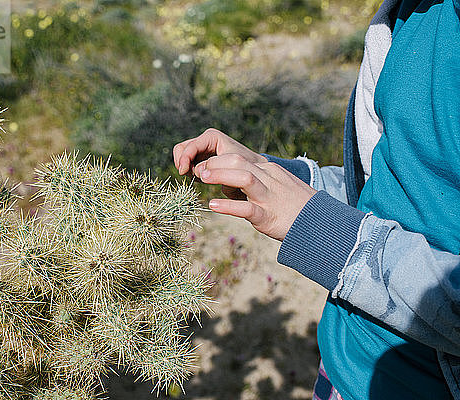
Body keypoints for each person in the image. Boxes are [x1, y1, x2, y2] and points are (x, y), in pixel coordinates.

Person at [172, 0, 460, 397]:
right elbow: (384, 191)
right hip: (340, 369)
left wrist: (319, 229)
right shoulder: (410, 14)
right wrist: (273, 176)